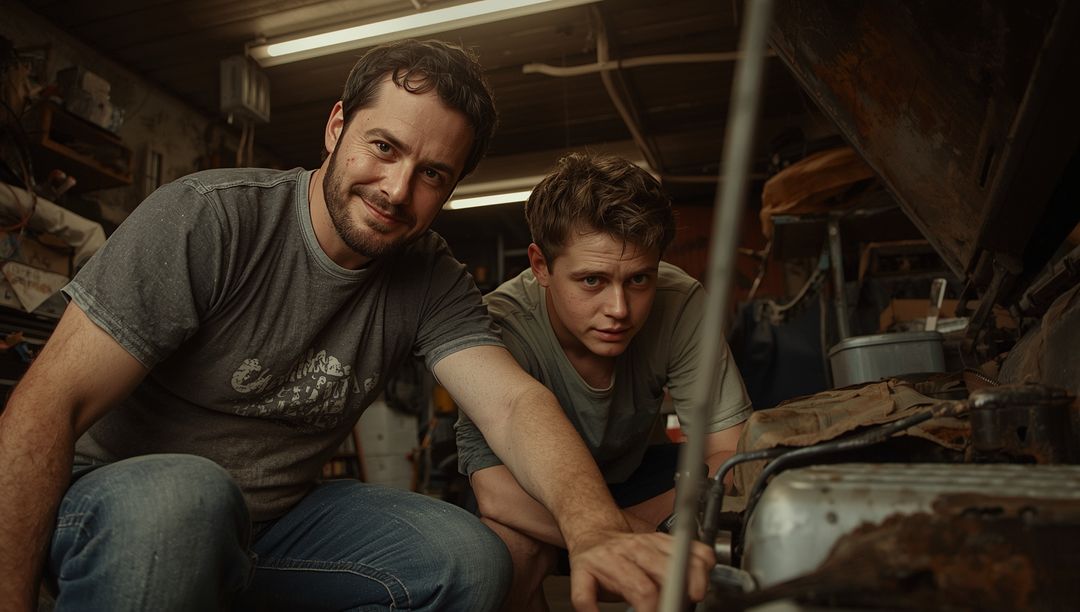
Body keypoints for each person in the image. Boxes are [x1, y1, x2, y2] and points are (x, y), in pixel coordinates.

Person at [0, 41, 714, 612]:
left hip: (275, 526)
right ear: (337, 126)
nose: (397, 190)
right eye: (385, 148)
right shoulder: (211, 219)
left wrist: (593, 528)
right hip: (119, 512)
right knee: (184, 496)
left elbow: (513, 403)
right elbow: (44, 407)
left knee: (469, 559)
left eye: (433, 174)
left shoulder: (429, 276)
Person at [456, 152, 752, 611]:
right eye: (592, 280)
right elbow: (495, 493)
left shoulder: (680, 302)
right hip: (530, 495)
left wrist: (624, 530)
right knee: (506, 556)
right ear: (540, 265)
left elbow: (729, 454)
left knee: (744, 512)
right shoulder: (497, 327)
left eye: (639, 279)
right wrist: (621, 537)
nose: (619, 309)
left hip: (632, 476)